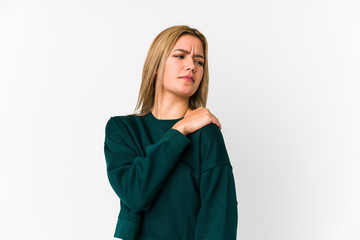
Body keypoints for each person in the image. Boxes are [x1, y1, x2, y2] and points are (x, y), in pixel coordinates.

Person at [104, 25, 238, 240]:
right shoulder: (122, 130)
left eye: (199, 61)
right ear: (156, 66)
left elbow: (220, 216)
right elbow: (135, 193)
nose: (191, 66)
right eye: (180, 56)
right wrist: (180, 129)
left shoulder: (206, 134)